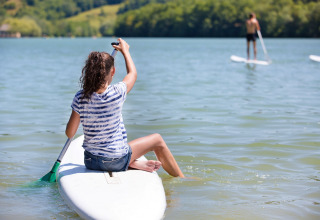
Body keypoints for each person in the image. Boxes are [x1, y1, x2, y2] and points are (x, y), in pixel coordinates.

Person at [65, 38, 184, 178]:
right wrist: (125, 51)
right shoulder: (117, 92)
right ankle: (182, 178)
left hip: (91, 161)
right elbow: (132, 74)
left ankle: (131, 163)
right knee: (157, 139)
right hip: (116, 160)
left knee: (117, 146)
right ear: (113, 72)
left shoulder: (80, 97)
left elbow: (70, 133)